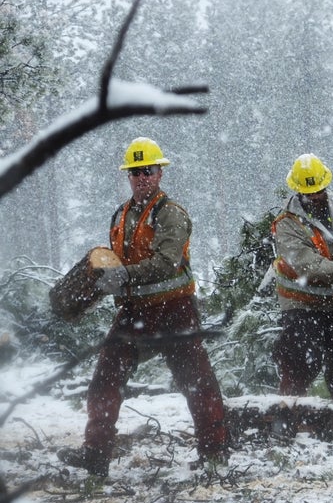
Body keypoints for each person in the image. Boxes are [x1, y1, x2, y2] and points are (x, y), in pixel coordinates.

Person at [58, 137, 228, 477]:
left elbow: (166, 263)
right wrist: (98, 280)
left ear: (160, 173)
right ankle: (96, 454)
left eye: (147, 171)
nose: (141, 178)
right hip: (135, 311)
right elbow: (118, 262)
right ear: (128, 176)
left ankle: (215, 455)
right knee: (105, 379)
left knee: (198, 383)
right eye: (135, 173)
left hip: (175, 310)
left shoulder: (172, 214)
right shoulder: (120, 215)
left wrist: (121, 276)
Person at [270, 153, 333, 401]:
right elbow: (304, 261)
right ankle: (289, 412)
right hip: (300, 302)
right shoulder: (287, 222)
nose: (316, 196)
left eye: (319, 191)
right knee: (302, 360)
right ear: (298, 191)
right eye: (310, 193)